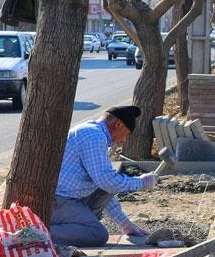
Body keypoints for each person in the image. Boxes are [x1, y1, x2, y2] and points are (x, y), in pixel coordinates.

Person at [50, 105, 158, 247]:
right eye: (125, 134)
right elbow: (107, 182)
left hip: (69, 199)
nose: (122, 141)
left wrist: (125, 224)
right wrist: (142, 183)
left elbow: (105, 188)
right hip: (58, 201)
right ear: (118, 124)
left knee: (106, 186)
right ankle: (37, 235)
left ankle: (72, 228)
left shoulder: (95, 133)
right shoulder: (93, 136)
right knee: (97, 233)